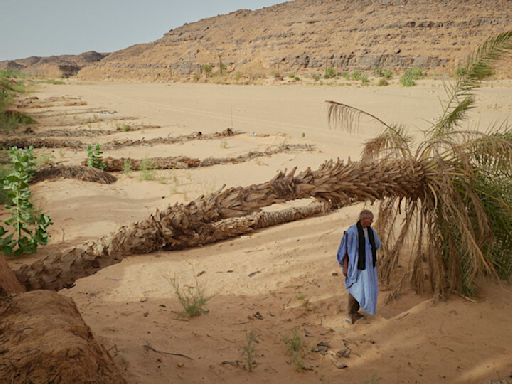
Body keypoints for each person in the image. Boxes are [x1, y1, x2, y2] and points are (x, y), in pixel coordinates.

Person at [336, 209, 381, 324]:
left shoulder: (371, 231)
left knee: (363, 288)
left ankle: (356, 312)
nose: (371, 222)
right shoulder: (352, 232)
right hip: (356, 266)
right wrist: (345, 267)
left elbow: (377, 244)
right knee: (354, 288)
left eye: (372, 220)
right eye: (369, 220)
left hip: (368, 267)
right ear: (362, 219)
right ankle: (350, 313)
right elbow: (345, 251)